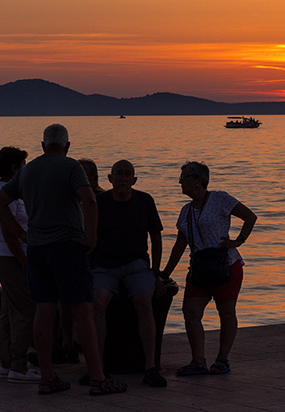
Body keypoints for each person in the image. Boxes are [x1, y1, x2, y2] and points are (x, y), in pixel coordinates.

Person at [0, 124, 125, 396]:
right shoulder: (71, 167)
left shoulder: (27, 171)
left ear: (42, 145)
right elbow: (90, 200)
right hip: (67, 247)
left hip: (37, 250)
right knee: (83, 311)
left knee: (43, 311)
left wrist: (19, 233)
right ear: (68, 146)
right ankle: (98, 378)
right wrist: (91, 237)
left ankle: (48, 377)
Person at [162, 161, 258, 375]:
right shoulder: (185, 211)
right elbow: (179, 246)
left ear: (198, 180)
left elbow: (250, 217)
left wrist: (239, 240)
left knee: (226, 312)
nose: (180, 181)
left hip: (226, 264)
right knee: (190, 311)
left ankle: (222, 359)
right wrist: (164, 273)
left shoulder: (220, 198)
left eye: (184, 176)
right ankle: (198, 361)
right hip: (199, 267)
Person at [91, 159, 166, 388]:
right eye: (118, 174)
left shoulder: (144, 201)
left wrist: (156, 273)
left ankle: (150, 366)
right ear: (110, 178)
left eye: (127, 174)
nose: (123, 178)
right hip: (104, 266)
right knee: (97, 303)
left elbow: (156, 237)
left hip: (136, 265)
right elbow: (89, 236)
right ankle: (98, 366)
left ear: (134, 179)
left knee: (144, 301)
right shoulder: (99, 202)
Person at [0, 146, 39, 382]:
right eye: (23, 164)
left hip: (6, 255)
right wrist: (24, 261)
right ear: (15, 167)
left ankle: (7, 362)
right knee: (25, 310)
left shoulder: (4, 191)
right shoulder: (5, 194)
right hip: (12, 256)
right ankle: (19, 366)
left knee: (8, 310)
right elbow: (10, 234)